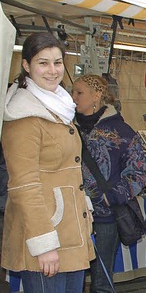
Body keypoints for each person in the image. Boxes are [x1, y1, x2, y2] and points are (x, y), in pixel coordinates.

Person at [1, 32, 95, 292]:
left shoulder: (60, 106)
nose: (52, 71)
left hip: (69, 231)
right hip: (45, 235)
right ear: (26, 65)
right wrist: (44, 246)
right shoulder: (23, 115)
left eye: (57, 62)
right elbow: (24, 186)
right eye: (43, 63)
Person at [71, 74, 146, 293]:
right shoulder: (66, 129)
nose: (73, 97)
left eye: (79, 92)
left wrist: (109, 196)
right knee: (69, 277)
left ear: (97, 95)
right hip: (70, 216)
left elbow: (138, 173)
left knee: (101, 281)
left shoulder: (122, 132)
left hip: (104, 217)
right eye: (72, 92)